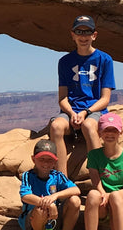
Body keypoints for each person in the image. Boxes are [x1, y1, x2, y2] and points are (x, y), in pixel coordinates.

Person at [48, 15, 116, 175]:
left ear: (94, 35)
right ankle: (62, 181)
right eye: (79, 32)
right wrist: (72, 113)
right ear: (72, 35)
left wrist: (86, 113)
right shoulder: (65, 61)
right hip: (70, 112)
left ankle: (100, 179)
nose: (83, 36)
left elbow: (105, 99)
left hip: (94, 111)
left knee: (88, 126)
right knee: (56, 127)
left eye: (87, 32)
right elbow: (62, 98)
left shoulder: (105, 60)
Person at [18, 139, 82, 230]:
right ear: (33, 159)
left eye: (50, 160)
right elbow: (25, 195)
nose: (45, 163)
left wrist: (55, 196)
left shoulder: (57, 176)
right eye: (41, 159)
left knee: (75, 200)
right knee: (41, 209)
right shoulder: (29, 176)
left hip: (53, 219)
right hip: (34, 221)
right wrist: (49, 204)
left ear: (55, 161)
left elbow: (76, 190)